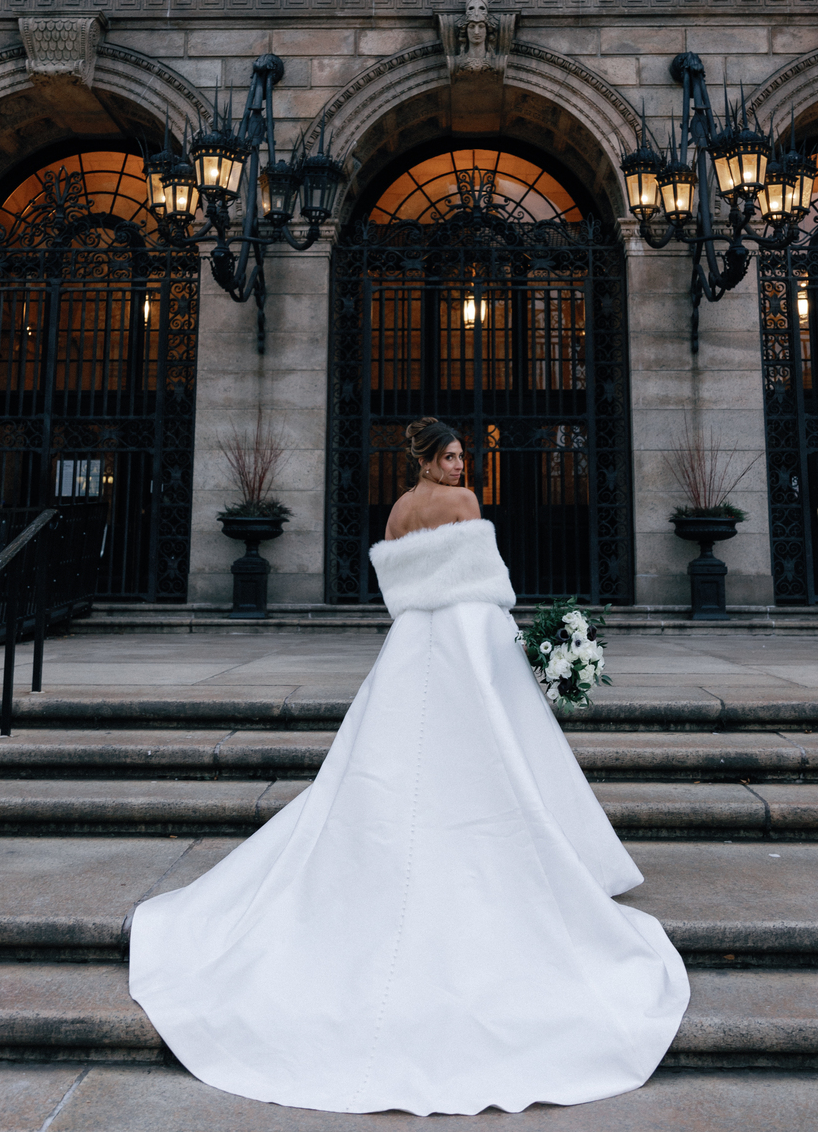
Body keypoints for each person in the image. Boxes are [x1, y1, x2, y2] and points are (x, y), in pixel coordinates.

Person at [129, 417, 689, 1115]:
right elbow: (485, 582)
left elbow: (399, 580)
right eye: (451, 456)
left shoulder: (396, 510)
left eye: (463, 457)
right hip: (467, 631)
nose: (461, 466)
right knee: (492, 748)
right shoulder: (464, 505)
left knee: (389, 751)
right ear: (429, 459)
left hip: (412, 638)